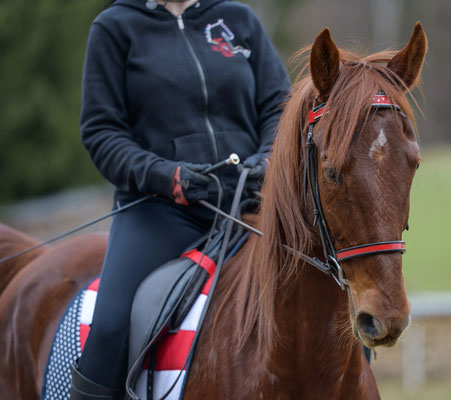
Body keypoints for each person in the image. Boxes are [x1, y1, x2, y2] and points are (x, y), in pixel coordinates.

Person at [70, 0, 290, 398]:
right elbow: (102, 132)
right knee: (111, 325)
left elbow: (280, 105)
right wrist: (166, 176)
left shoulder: (237, 19)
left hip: (251, 204)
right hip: (161, 210)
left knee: (330, 287)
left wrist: (269, 159)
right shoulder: (114, 27)